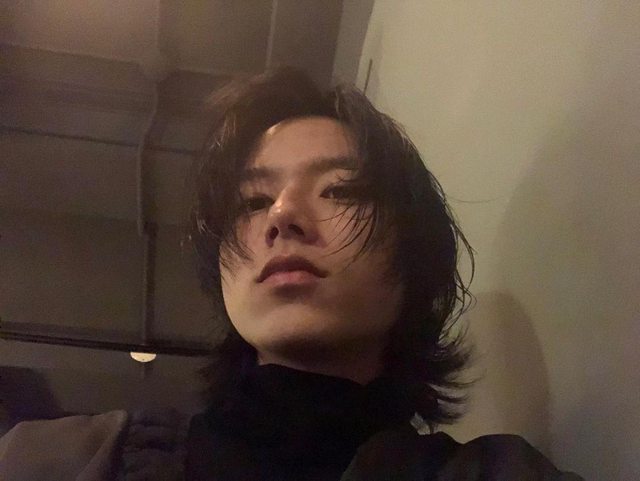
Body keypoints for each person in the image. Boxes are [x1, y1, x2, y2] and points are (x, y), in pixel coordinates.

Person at [0, 68, 583, 480]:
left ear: (413, 255)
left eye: (340, 190)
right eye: (252, 202)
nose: (281, 216)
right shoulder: (54, 460)